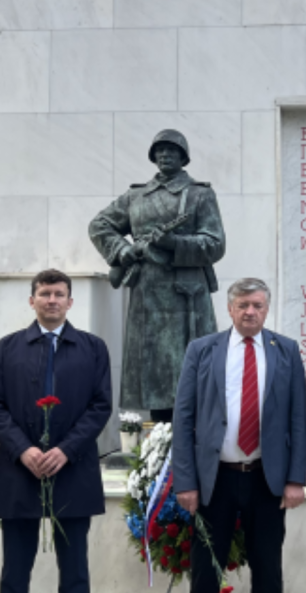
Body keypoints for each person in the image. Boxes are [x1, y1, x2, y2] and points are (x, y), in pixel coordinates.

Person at [172, 278, 306, 593]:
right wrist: (185, 481)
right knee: (206, 570)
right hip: (215, 478)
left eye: (257, 305)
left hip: (266, 478)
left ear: (267, 309)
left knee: (267, 569)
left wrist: (296, 478)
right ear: (230, 309)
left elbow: (298, 418)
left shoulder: (286, 350)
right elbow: (183, 417)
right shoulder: (202, 350)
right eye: (243, 305)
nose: (250, 312)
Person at [0, 269, 113, 593]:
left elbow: (101, 406)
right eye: (44, 293)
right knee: (14, 572)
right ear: (32, 300)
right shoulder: (8, 348)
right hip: (19, 470)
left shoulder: (93, 348)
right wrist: (22, 449)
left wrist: (66, 450)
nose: (51, 300)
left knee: (75, 572)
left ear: (70, 302)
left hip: (73, 469)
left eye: (58, 294)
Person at [88, 128, 226, 423]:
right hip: (147, 293)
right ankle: (157, 440)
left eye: (172, 150)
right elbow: (99, 225)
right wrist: (123, 250)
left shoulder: (200, 194)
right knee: (153, 376)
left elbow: (215, 245)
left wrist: (173, 243)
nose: (165, 155)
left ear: (183, 157)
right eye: (160, 150)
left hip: (187, 297)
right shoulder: (135, 196)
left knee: (189, 373)